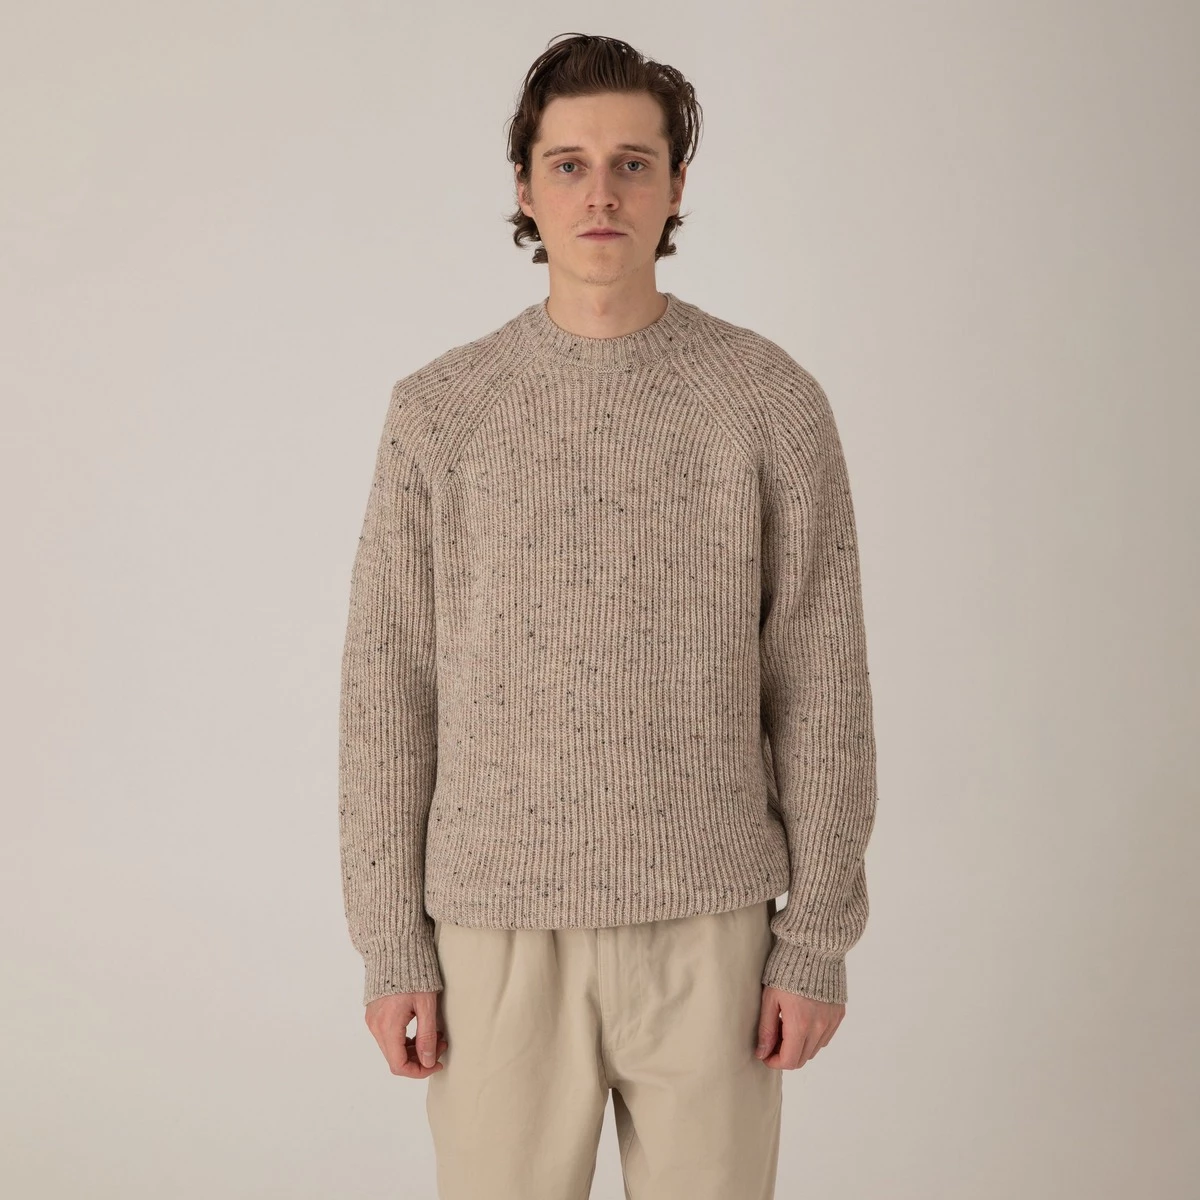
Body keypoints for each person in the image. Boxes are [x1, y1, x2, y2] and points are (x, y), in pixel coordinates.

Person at [338, 32, 879, 1200]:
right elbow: (389, 691)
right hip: (493, 934)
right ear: (524, 188)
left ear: (678, 185)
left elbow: (822, 685)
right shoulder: (441, 412)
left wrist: (816, 940)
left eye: (633, 164)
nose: (601, 194)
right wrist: (390, 944)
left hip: (712, 929)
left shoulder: (769, 403)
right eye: (570, 164)